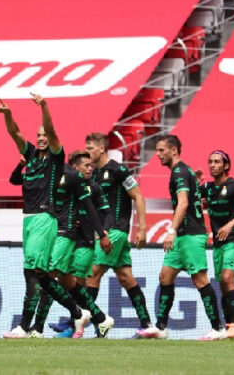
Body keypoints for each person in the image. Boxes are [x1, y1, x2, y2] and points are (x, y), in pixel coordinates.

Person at [0, 94, 91, 338]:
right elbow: (15, 134)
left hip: (44, 218)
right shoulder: (30, 156)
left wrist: (44, 106)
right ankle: (77, 312)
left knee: (32, 272)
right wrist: (8, 114)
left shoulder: (55, 157)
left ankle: (24, 327)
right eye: (38, 135)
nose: (40, 138)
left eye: (43, 136)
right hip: (28, 219)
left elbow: (50, 129)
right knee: (39, 274)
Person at [138, 135, 226, 340]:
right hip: (183, 236)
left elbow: (183, 203)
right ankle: (160, 327)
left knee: (200, 280)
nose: (158, 154)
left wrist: (172, 230)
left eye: (161, 150)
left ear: (174, 151)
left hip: (190, 235)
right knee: (165, 276)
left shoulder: (179, 172)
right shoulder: (183, 172)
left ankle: (218, 328)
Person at [30, 150, 115, 338]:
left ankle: (44, 327)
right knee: (67, 283)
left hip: (83, 242)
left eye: (91, 166)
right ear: (75, 168)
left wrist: (103, 232)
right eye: (86, 166)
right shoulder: (65, 183)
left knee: (52, 278)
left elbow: (102, 212)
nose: (91, 169)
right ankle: (99, 319)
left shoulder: (93, 188)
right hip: (66, 239)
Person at [84, 132, 154, 336]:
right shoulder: (94, 174)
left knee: (93, 273)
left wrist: (142, 228)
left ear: (102, 148)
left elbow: (138, 196)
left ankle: (84, 323)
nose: (88, 152)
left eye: (90, 148)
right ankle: (147, 324)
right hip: (109, 232)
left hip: (115, 231)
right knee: (126, 278)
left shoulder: (119, 170)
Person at [200, 150, 234, 339]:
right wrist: (195, 181)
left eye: (216, 162)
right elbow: (185, 197)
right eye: (210, 162)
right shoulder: (207, 188)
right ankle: (228, 327)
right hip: (218, 243)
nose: (212, 165)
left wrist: (230, 225)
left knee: (226, 277)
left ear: (226, 166)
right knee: (223, 284)